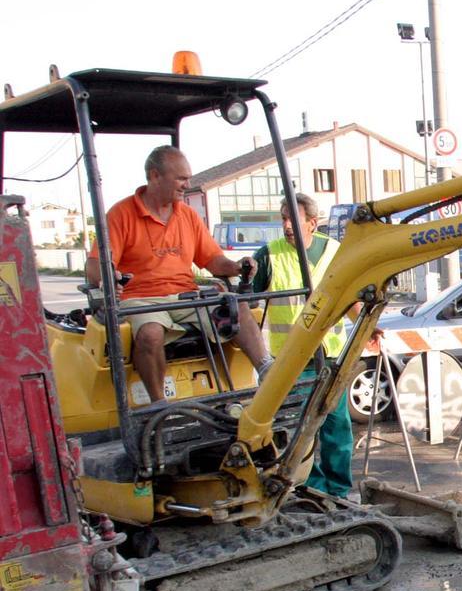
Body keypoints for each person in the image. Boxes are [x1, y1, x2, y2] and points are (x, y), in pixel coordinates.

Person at [86, 145, 271, 402]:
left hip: (185, 296)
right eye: (181, 178)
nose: (187, 185)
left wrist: (236, 266)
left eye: (188, 178)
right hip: (142, 298)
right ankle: (158, 404)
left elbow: (212, 260)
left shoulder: (188, 216)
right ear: (154, 176)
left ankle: (266, 370)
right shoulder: (121, 215)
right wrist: (107, 280)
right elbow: (95, 264)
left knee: (236, 307)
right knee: (150, 333)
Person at [249, 194, 357, 498]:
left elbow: (349, 296)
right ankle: (309, 483)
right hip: (289, 360)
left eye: (292, 219)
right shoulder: (268, 256)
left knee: (336, 424)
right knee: (298, 428)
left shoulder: (335, 251)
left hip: (330, 354)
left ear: (312, 222)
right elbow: (249, 306)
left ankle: (337, 489)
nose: (286, 226)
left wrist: (366, 325)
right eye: (283, 219)